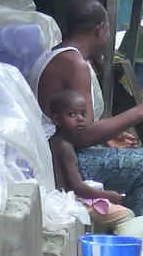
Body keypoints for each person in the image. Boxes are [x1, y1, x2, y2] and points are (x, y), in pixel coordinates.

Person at [28, 0, 143, 217]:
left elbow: (74, 124)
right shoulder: (74, 64)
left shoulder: (59, 55)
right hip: (65, 162)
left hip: (61, 154)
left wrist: (108, 135)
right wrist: (140, 112)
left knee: (138, 159)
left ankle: (129, 226)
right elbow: (82, 135)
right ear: (100, 29)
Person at [49, 89, 133, 228]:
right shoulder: (64, 147)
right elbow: (77, 187)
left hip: (63, 199)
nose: (80, 118)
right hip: (66, 203)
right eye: (72, 114)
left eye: (83, 114)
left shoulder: (58, 141)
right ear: (56, 119)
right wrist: (108, 195)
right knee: (126, 215)